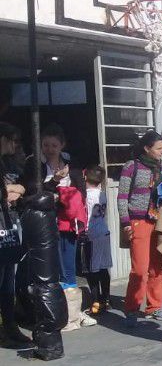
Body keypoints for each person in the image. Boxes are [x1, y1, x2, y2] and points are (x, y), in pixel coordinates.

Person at [118, 130, 162, 327]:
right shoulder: (131, 167)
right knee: (140, 269)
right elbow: (122, 197)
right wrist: (126, 222)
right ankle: (132, 307)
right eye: (158, 148)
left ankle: (154, 307)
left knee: (157, 266)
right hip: (138, 221)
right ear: (147, 148)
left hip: (161, 222)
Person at [22, 124, 86, 289]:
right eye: (45, 145)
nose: (49, 149)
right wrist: (55, 182)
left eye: (54, 145)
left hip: (68, 220)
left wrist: (72, 202)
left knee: (68, 262)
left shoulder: (70, 162)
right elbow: (32, 191)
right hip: (44, 220)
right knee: (48, 263)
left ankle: (71, 303)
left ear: (62, 145)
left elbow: (81, 189)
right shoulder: (34, 163)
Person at [0, 150, 29, 347]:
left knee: (8, 282)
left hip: (7, 226)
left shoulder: (7, 163)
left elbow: (23, 188)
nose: (12, 146)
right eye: (9, 140)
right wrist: (11, 188)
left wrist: (17, 188)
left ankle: (10, 326)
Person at [82, 166, 112, 316]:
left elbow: (86, 216)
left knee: (92, 269)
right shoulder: (103, 194)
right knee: (103, 267)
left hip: (92, 233)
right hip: (103, 231)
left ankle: (95, 301)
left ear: (85, 177)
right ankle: (106, 299)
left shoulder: (85, 195)